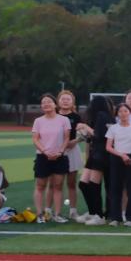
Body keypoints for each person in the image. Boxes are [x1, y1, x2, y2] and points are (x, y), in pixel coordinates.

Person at [31, 93, 71, 223]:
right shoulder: (38, 121)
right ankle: (39, 214)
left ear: (55, 104)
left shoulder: (64, 120)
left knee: (58, 186)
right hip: (42, 157)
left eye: (49, 101)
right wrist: (45, 151)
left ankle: (57, 214)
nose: (46, 104)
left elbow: (66, 138)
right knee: (40, 185)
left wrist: (60, 151)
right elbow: (35, 139)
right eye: (43, 102)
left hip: (60, 157)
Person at [77, 94, 114, 226]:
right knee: (83, 184)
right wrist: (85, 133)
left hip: (101, 154)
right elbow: (93, 136)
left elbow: (100, 135)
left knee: (94, 184)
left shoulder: (102, 115)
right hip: (95, 153)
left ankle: (99, 216)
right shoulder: (101, 116)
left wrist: (85, 127)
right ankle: (93, 212)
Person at [57, 90, 84, 221]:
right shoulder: (54, 115)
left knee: (72, 182)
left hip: (72, 150)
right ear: (58, 101)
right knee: (56, 183)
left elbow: (83, 133)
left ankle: (73, 211)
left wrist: (76, 140)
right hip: (56, 151)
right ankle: (54, 211)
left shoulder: (77, 117)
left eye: (68, 99)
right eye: (63, 99)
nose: (65, 101)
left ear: (72, 102)